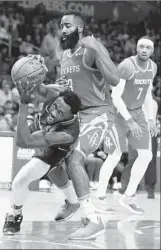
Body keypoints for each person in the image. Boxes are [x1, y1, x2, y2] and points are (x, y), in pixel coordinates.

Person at [36, 10, 120, 240]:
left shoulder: (92, 48)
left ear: (80, 28)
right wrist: (55, 88)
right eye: (61, 26)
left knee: (74, 160)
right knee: (48, 160)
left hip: (99, 113)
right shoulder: (65, 57)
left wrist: (98, 48)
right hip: (78, 116)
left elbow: (114, 79)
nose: (63, 30)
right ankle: (72, 202)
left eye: (68, 26)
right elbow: (71, 89)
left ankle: (93, 220)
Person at [3, 79, 81, 234]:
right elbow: (36, 86)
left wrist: (23, 105)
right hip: (45, 129)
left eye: (60, 113)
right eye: (55, 107)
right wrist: (37, 73)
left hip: (57, 146)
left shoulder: (66, 134)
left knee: (20, 181)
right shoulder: (54, 94)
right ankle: (73, 202)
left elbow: (23, 141)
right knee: (54, 172)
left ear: (68, 117)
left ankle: (14, 214)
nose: (53, 112)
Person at [94, 36, 158, 214]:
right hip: (118, 114)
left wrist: (151, 119)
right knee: (114, 156)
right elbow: (115, 97)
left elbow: (146, 95)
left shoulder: (152, 67)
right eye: (141, 46)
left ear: (152, 51)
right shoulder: (126, 66)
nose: (144, 50)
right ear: (136, 48)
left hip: (138, 113)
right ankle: (99, 198)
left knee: (146, 155)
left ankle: (128, 196)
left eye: (148, 48)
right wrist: (129, 121)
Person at [119, 98, 158, 199]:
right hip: (136, 130)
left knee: (146, 161)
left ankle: (149, 189)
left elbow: (151, 119)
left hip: (146, 131)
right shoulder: (138, 100)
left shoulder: (151, 102)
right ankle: (127, 187)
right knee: (133, 160)